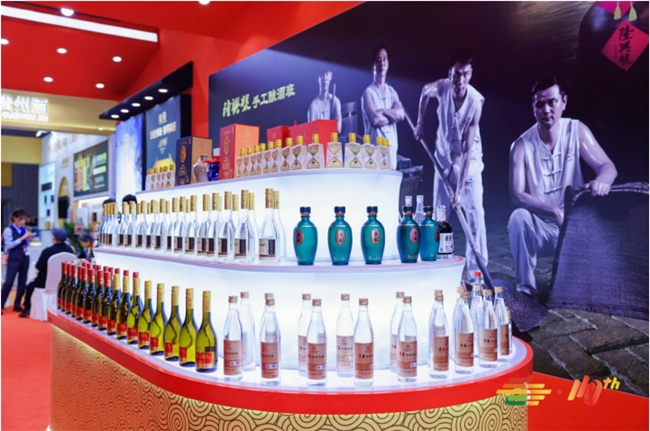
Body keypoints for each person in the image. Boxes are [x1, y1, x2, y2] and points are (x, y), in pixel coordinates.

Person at [508, 74, 617, 299]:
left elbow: (607, 166)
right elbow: (517, 195)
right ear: (533, 107)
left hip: (576, 226)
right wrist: (553, 210)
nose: (546, 109)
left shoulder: (576, 130)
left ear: (564, 102)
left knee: (583, 291)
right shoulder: (520, 145)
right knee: (518, 217)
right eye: (540, 104)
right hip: (543, 229)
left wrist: (602, 181)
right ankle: (525, 291)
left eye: (552, 102)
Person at [414, 48, 487, 280]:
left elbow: (466, 151)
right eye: (456, 74)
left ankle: (476, 274)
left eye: (465, 74)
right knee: (439, 215)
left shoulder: (476, 102)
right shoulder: (442, 87)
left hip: (468, 164)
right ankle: (439, 267)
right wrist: (420, 122)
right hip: (443, 160)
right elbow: (424, 92)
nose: (460, 80)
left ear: (470, 74)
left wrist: (459, 190)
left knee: (475, 218)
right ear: (450, 74)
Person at [361, 43, 405, 169]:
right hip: (374, 158)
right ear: (372, 66)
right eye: (378, 60)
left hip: (391, 156)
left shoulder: (392, 92)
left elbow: (401, 115)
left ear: (388, 63)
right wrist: (392, 115)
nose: (382, 63)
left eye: (384, 59)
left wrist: (383, 111)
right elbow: (375, 120)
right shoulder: (367, 93)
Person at [20, 228, 73, 318]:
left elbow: (38, 267)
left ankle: (27, 308)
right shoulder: (70, 250)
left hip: (45, 283)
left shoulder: (48, 251)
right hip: (64, 283)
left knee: (30, 286)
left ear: (54, 238)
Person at [1, 209, 35, 313]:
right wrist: (22, 238)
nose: (23, 222)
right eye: (21, 219)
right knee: (9, 282)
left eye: (24, 220)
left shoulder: (24, 229)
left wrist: (29, 239)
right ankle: (1, 304)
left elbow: (26, 244)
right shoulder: (8, 230)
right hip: (14, 258)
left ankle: (17, 304)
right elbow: (9, 245)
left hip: (25, 256)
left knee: (22, 281)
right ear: (15, 218)